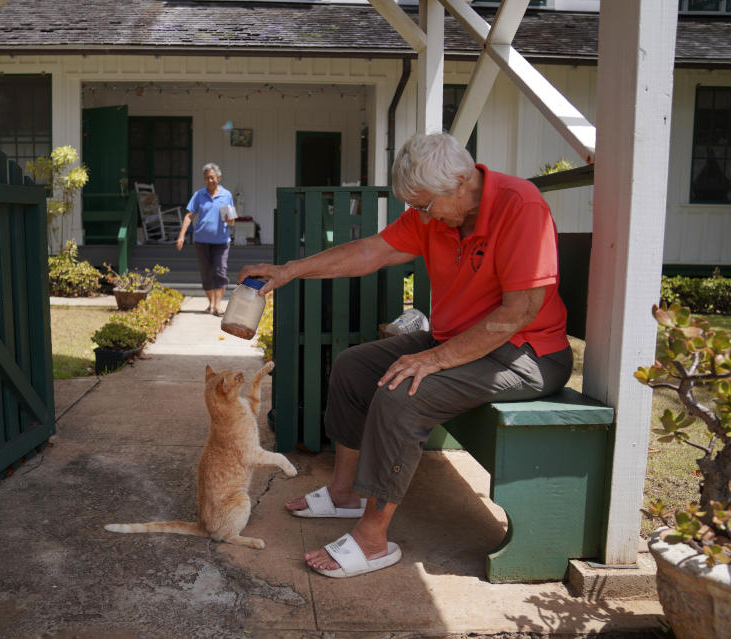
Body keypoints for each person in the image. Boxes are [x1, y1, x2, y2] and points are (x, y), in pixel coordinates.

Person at [237, 132, 573, 579]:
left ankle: (372, 540)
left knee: (403, 393)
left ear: (459, 183)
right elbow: (371, 251)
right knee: (354, 368)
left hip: (527, 353)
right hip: (461, 340)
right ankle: (344, 494)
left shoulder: (520, 206)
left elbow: (521, 311)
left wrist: (435, 360)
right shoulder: (435, 214)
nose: (420, 215)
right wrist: (288, 271)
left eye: (424, 205)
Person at [177, 163, 235, 315]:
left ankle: (217, 305)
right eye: (207, 178)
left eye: (212, 177)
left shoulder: (226, 195)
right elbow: (189, 215)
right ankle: (211, 304)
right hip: (201, 241)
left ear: (219, 178)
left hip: (221, 241)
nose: (210, 180)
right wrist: (181, 235)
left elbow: (232, 220)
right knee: (207, 273)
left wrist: (230, 220)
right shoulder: (199, 195)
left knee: (220, 271)